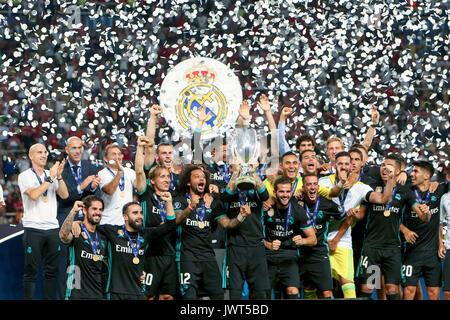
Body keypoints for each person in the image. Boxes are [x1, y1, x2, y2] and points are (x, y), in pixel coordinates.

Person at [319, 151, 395, 299]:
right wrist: (341, 183)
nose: (343, 167)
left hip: (344, 242)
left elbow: (384, 199)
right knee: (322, 288)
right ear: (334, 164)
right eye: (340, 163)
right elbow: (332, 194)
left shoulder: (361, 187)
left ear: (351, 167)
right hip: (320, 240)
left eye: (347, 164)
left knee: (348, 283)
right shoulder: (324, 181)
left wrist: (391, 179)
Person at [173, 164, 251, 300]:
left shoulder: (212, 202)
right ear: (188, 182)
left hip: (208, 257)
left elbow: (227, 224)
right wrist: (190, 207)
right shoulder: (180, 200)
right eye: (196, 176)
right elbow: (177, 220)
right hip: (188, 257)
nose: (201, 179)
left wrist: (241, 216)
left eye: (203, 177)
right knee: (189, 297)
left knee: (218, 296)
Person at [353, 154, 425, 300]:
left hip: (392, 248)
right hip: (372, 246)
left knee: (392, 288)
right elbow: (361, 214)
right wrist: (353, 214)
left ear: (398, 171)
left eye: (389, 166)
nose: (384, 169)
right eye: (382, 165)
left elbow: (423, 215)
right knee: (368, 286)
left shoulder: (405, 191)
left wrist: (426, 214)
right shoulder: (372, 187)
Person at [18, 143, 68, 300]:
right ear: (31, 156)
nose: (44, 155)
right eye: (40, 152)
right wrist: (50, 178)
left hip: (52, 228)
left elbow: (65, 195)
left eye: (45, 152)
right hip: (33, 228)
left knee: (51, 272)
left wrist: (58, 176)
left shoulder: (51, 173)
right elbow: (34, 195)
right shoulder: (25, 176)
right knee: (31, 272)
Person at [56, 136, 101, 299]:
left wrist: (94, 188)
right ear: (66, 150)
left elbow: (95, 198)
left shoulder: (90, 167)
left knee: (88, 263)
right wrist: (82, 186)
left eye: (80, 148)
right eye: (73, 148)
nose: (77, 151)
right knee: (66, 264)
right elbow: (64, 197)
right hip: (67, 219)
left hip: (87, 222)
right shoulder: (61, 170)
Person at [220, 158, 270, 300]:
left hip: (256, 246)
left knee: (260, 292)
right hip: (235, 247)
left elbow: (265, 195)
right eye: (238, 168)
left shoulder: (256, 191)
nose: (243, 171)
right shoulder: (229, 190)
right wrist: (236, 172)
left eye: (244, 169)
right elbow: (225, 197)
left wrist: (253, 172)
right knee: (235, 292)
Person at [135, 135, 178, 300]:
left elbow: (172, 223)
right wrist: (140, 148)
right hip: (150, 254)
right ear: (152, 180)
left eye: (168, 177)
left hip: (169, 253)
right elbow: (139, 170)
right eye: (162, 177)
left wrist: (169, 202)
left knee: (167, 296)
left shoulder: (172, 196)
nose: (166, 180)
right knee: (148, 296)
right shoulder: (146, 194)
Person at [264, 177, 316, 299]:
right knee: (262, 292)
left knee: (293, 291)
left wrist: (303, 241)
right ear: (275, 193)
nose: (285, 195)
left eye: (288, 192)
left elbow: (313, 239)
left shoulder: (298, 210)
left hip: (289, 254)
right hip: (268, 255)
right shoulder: (266, 209)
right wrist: (268, 245)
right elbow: (255, 236)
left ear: (291, 192)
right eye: (281, 192)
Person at [401, 160, 447, 300]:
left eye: (416, 171)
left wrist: (437, 183)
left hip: (432, 253)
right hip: (411, 251)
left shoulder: (439, 190)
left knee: (433, 293)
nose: (412, 174)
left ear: (427, 176)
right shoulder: (407, 191)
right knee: (409, 292)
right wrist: (405, 230)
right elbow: (393, 215)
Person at [298, 173, 345, 299]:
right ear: (303, 187)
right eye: (308, 184)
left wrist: (335, 238)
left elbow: (344, 216)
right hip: (300, 253)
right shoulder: (296, 203)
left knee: (326, 292)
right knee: (307, 289)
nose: (312, 187)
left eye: (314, 184)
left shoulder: (327, 204)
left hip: (319, 253)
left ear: (318, 187)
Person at [59, 195, 108, 300]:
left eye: (100, 209)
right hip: (75, 292)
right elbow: (63, 235)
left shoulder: (103, 236)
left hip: (97, 293)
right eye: (94, 209)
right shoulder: (76, 230)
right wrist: (73, 212)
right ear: (85, 210)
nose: (98, 212)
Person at [143, 104, 179, 192]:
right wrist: (153, 116)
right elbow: (149, 144)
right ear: (156, 156)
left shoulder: (178, 178)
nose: (168, 156)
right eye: (164, 153)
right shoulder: (151, 169)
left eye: (170, 153)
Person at [98, 143, 136, 225]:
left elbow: (140, 188)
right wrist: (119, 172)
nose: (117, 157)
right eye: (113, 154)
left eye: (119, 154)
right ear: (105, 159)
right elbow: (110, 191)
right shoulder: (102, 174)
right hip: (108, 222)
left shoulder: (130, 172)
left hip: (127, 222)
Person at [440, 166, 450, 300]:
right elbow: (440, 224)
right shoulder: (445, 198)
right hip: (449, 248)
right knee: (447, 292)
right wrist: (441, 244)